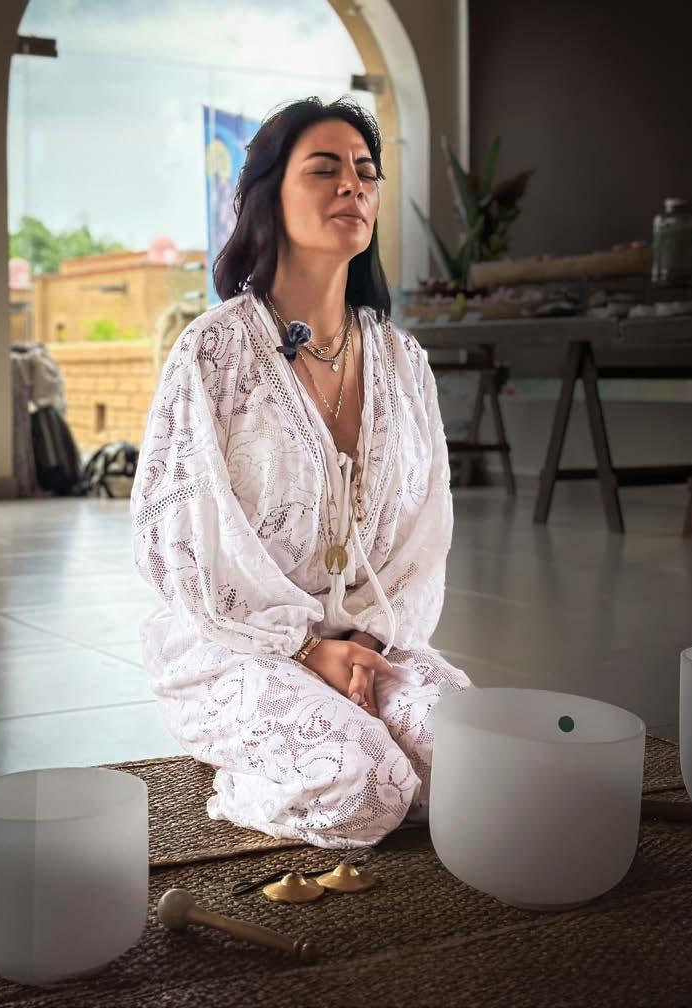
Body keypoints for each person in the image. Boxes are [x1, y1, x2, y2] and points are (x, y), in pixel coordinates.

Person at [131, 96, 473, 850]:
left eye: (365, 171)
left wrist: (367, 644)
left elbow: (424, 533)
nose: (352, 184)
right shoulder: (214, 352)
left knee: (475, 762)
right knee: (368, 786)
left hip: (368, 642)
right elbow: (183, 539)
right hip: (233, 644)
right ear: (268, 197)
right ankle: (240, 770)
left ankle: (338, 724)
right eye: (323, 169)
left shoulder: (402, 361)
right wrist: (305, 649)